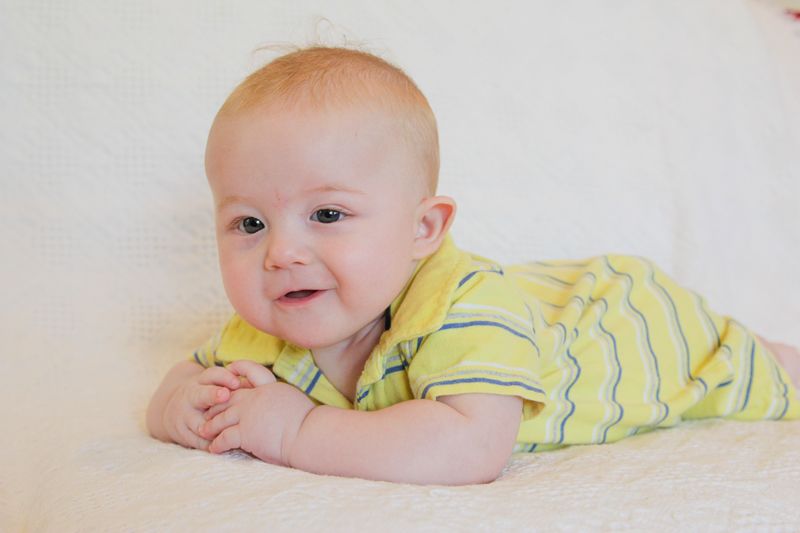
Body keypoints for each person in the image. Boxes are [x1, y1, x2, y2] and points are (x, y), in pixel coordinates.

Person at [146, 45, 800, 485]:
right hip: (542, 301)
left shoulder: (462, 312)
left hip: (630, 327)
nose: (280, 252)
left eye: (328, 215)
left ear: (422, 229)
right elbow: (188, 372)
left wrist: (297, 429)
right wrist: (179, 403)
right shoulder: (263, 329)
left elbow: (472, 445)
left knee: (751, 367)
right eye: (249, 223)